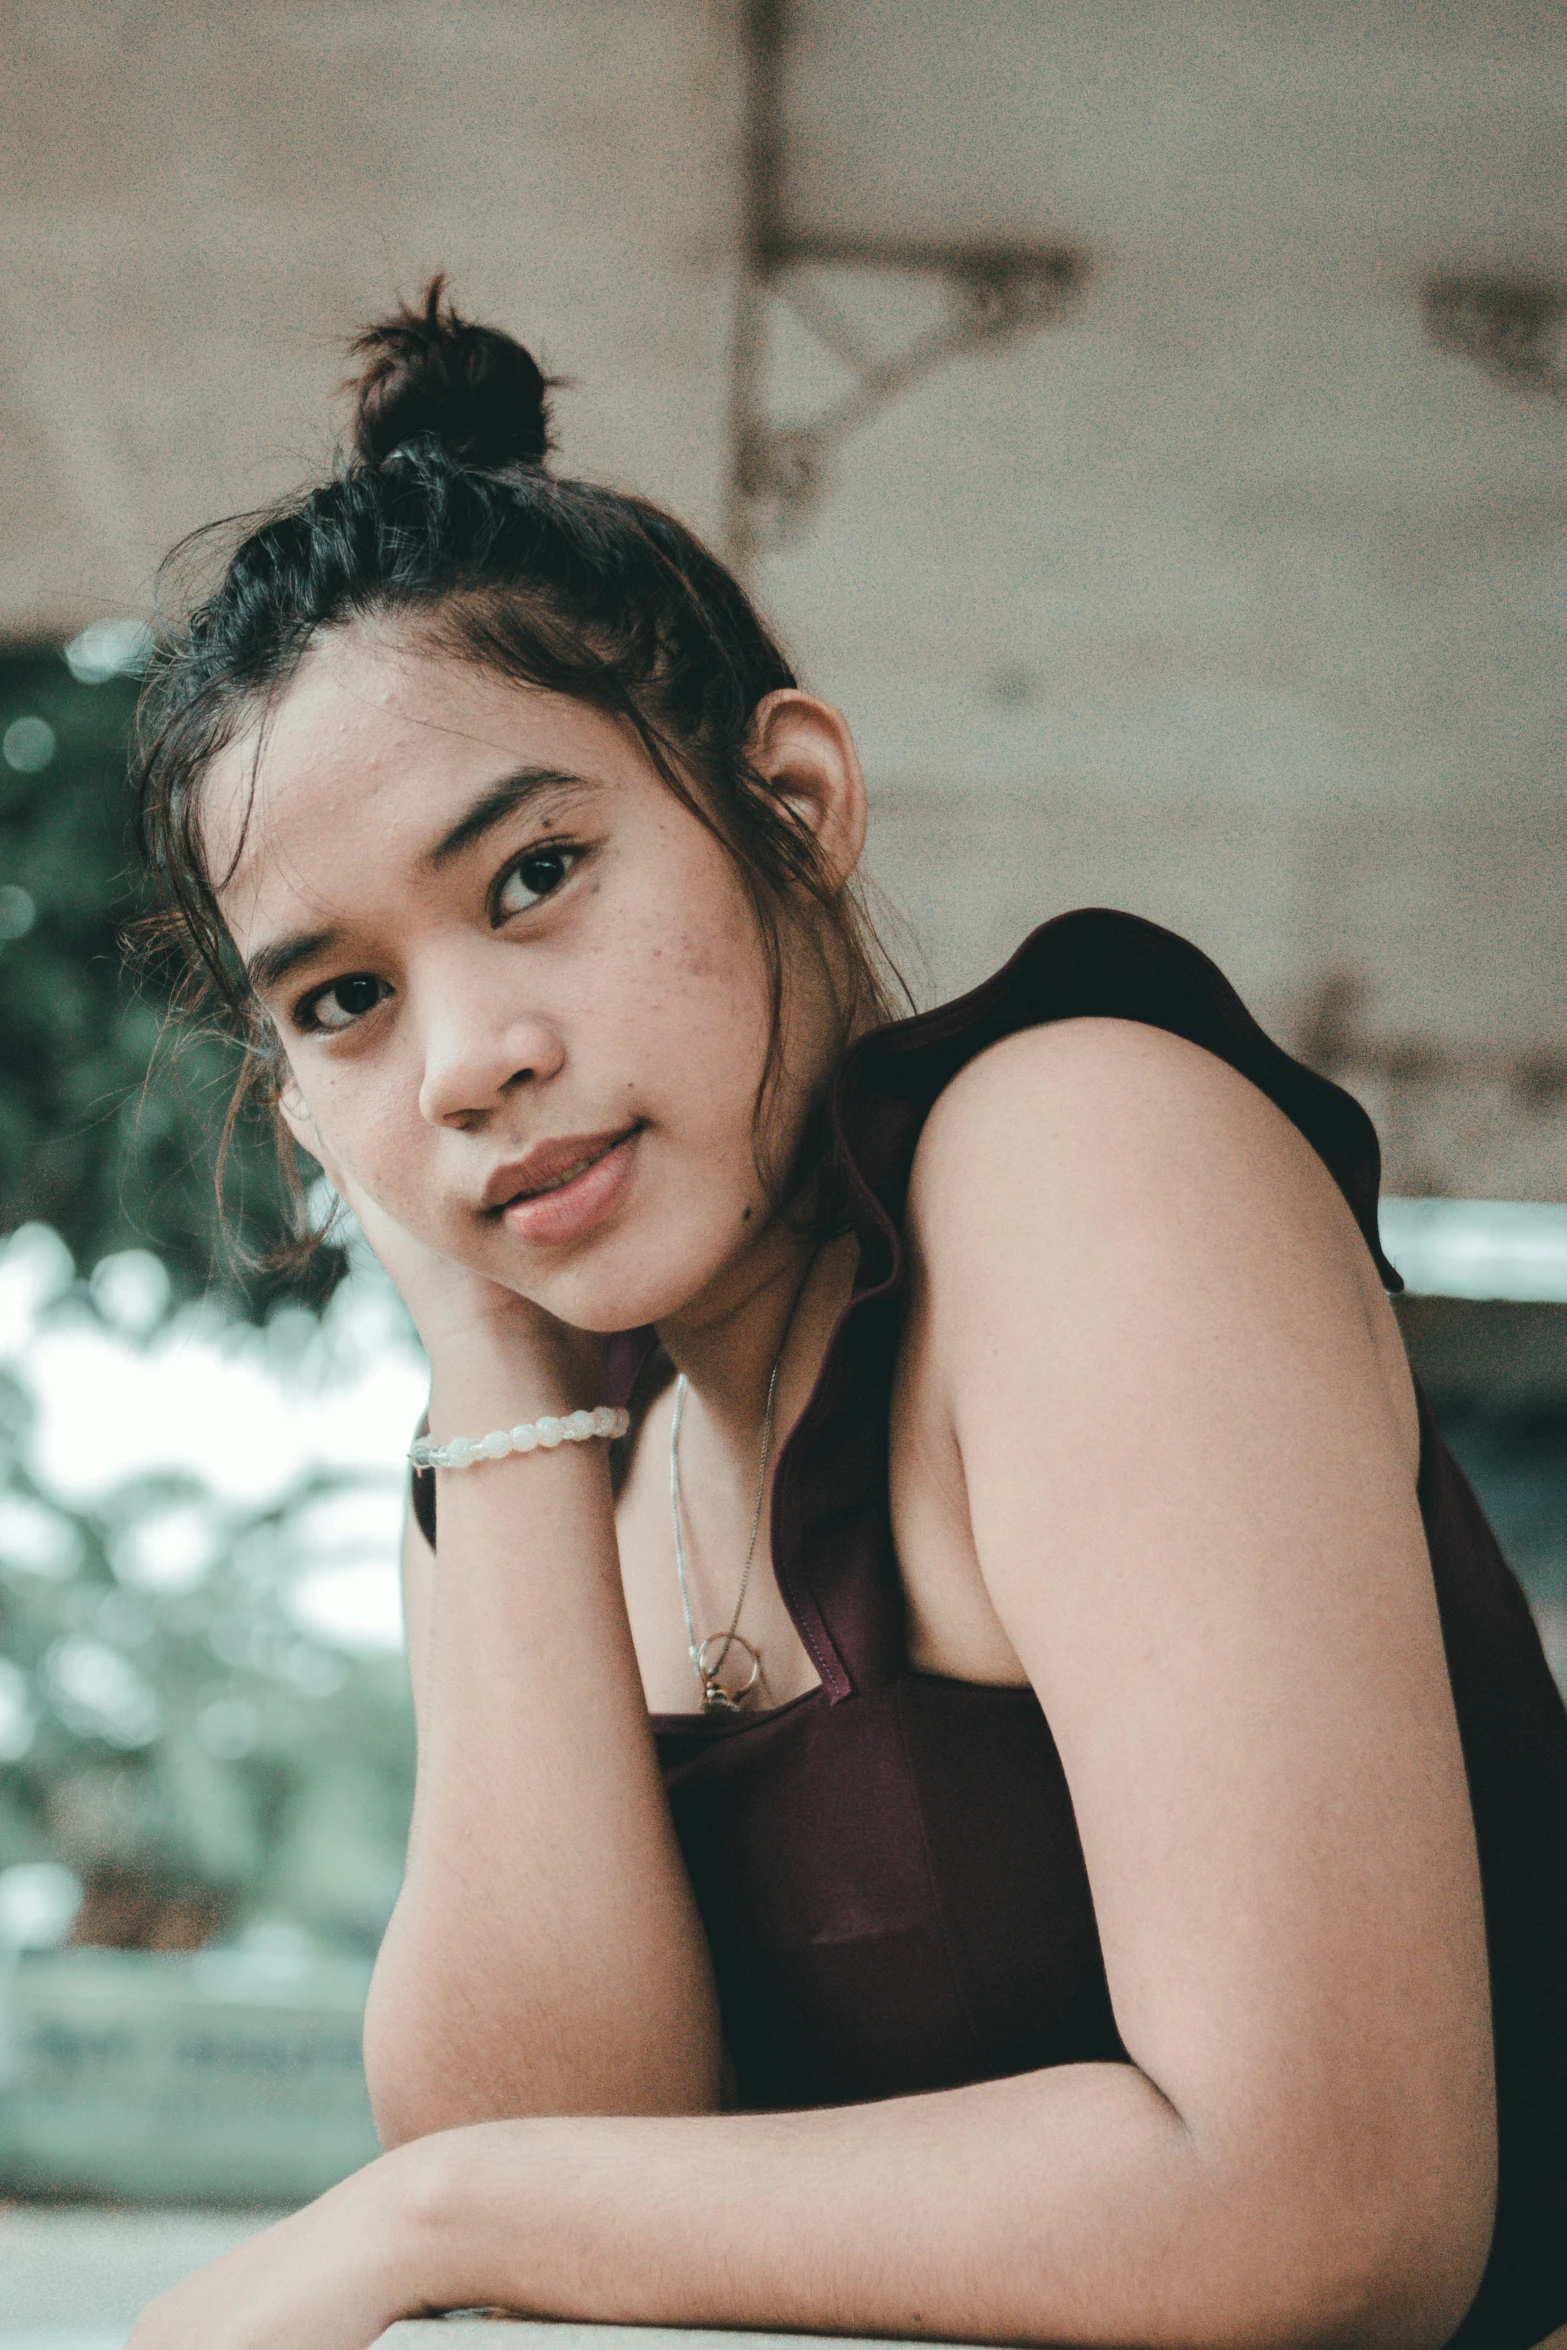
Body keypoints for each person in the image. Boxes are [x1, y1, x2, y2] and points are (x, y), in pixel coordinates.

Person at [126, 283, 1567, 2350]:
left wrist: (428, 2211)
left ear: (788, 803)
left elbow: (1333, 2213)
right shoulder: (531, 1461)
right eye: (342, 998)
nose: (461, 1060)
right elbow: (582, 2174)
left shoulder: (1078, 1158)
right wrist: (492, 1373)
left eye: (532, 873)